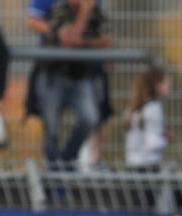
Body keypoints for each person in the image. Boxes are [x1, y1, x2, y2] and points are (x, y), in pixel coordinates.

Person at [42, 0, 113, 165]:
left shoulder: (94, 14)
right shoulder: (60, 10)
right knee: (52, 127)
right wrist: (84, 14)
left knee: (90, 118)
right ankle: (53, 169)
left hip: (81, 77)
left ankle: (67, 159)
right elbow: (69, 40)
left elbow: (108, 42)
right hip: (56, 76)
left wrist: (85, 41)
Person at [125, 67, 170, 168]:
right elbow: (152, 143)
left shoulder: (133, 108)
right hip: (148, 166)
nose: (169, 86)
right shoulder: (154, 107)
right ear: (157, 85)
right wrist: (167, 139)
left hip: (132, 164)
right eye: (165, 83)